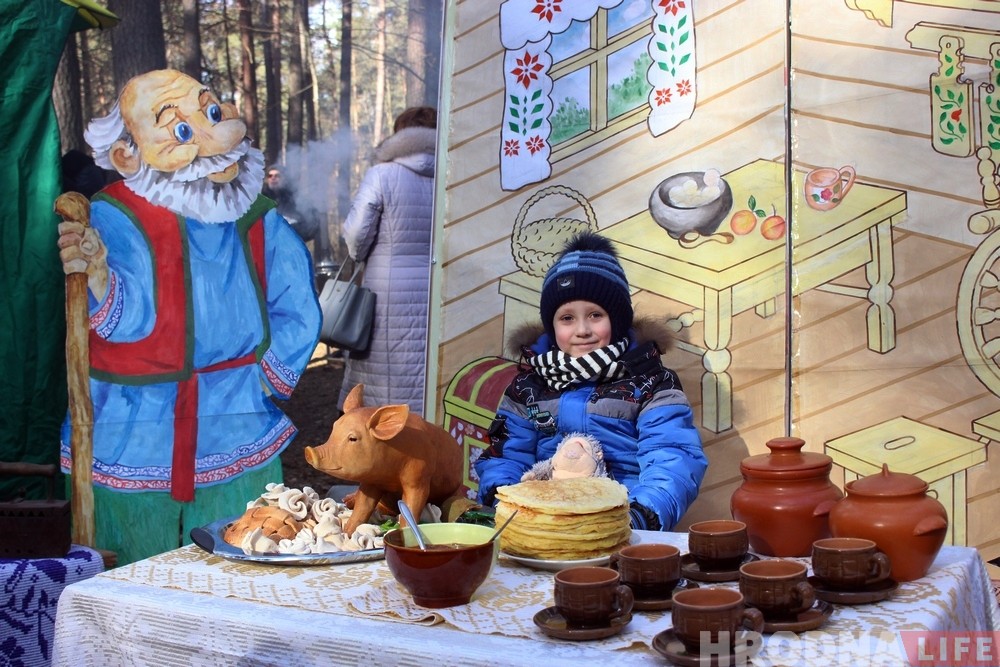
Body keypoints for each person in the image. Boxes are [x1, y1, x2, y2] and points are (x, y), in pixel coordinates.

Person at [56, 69, 321, 565]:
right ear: (126, 155)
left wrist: (265, 380)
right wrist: (96, 276)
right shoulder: (112, 217)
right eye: (181, 130)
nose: (212, 137)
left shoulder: (256, 218)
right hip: (131, 434)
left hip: (236, 423)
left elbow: (298, 309)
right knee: (135, 562)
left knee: (240, 559)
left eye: (213, 113)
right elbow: (130, 320)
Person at [474, 232, 707, 531]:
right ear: (552, 324)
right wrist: (505, 501)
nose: (582, 330)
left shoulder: (650, 382)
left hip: (623, 519)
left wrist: (639, 514)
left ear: (618, 321)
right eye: (567, 318)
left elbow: (672, 457)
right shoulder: (528, 387)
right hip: (544, 519)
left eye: (595, 315)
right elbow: (506, 453)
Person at [337, 106, 437, 416]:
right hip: (437, 289)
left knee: (383, 379)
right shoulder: (454, 176)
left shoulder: (381, 174)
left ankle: (381, 450)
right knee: (427, 374)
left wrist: (359, 254)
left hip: (387, 294)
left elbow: (357, 237)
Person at [262, 164, 319, 243]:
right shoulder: (260, 200)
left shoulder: (294, 198)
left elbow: (311, 224)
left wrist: (290, 233)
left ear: (283, 178)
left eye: (277, 175)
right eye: (270, 176)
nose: (273, 178)